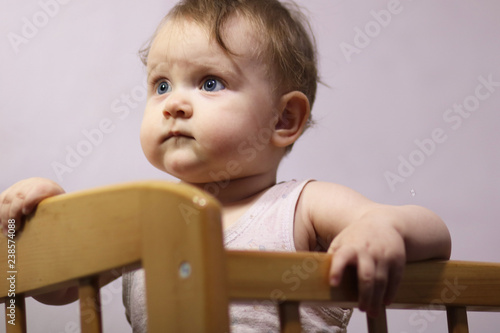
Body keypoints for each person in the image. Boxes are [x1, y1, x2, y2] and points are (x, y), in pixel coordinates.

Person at [0, 0, 451, 332]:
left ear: (283, 118)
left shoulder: (299, 207)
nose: (174, 103)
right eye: (160, 84)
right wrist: (43, 224)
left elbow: (433, 233)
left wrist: (380, 228)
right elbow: (57, 289)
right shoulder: (143, 218)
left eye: (210, 82)